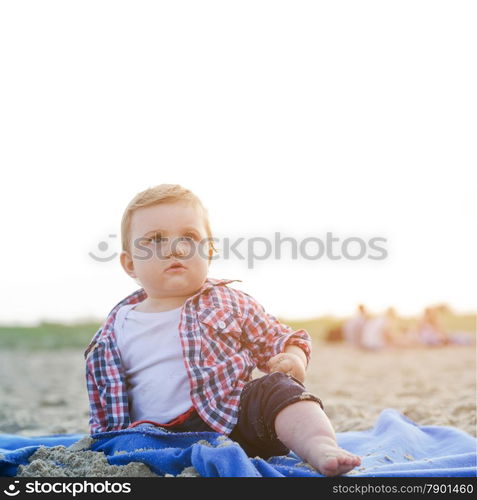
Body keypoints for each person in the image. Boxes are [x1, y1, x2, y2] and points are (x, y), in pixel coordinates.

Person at [84, 184, 361, 477]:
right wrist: (107, 439)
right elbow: (105, 398)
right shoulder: (115, 330)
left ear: (210, 252)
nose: (175, 248)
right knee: (126, 442)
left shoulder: (229, 302)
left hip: (233, 418)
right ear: (130, 264)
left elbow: (280, 337)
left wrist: (293, 358)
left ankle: (320, 445)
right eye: (155, 240)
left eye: (189, 237)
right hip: (152, 435)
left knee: (277, 390)